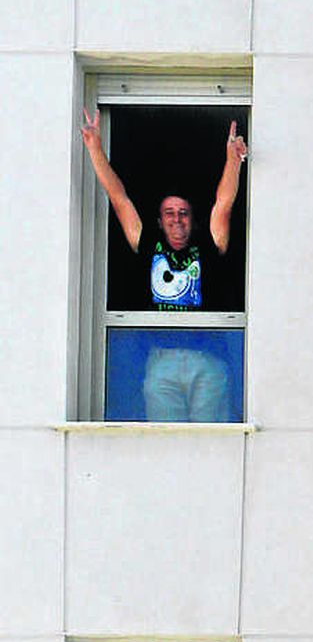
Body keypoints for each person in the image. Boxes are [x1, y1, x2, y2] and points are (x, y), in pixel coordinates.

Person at [79, 109, 247, 421]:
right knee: (166, 441)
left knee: (208, 443)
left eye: (183, 212)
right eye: (169, 212)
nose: (176, 218)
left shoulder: (208, 247)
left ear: (193, 221)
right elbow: (119, 199)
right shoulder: (147, 246)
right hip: (162, 361)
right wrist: (94, 148)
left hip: (207, 359)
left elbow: (223, 203)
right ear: (160, 221)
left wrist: (233, 160)